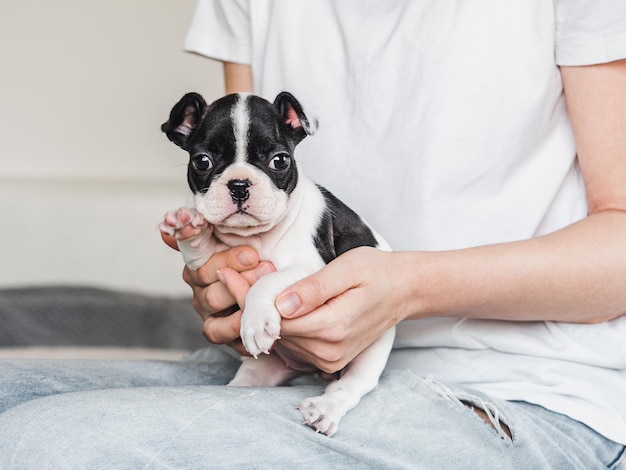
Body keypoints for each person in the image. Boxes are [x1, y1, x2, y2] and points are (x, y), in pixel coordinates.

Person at [1, 1, 625, 468]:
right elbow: (240, 168)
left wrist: (405, 286)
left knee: (38, 448)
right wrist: (219, 276)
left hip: (517, 386)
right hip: (289, 361)